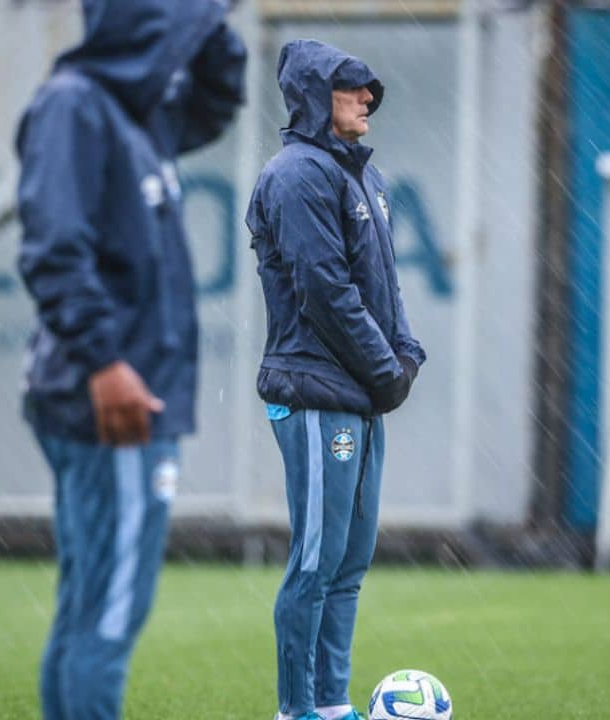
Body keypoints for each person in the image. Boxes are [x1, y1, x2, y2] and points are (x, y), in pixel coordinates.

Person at [14, 2, 245, 718]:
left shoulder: (139, 114)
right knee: (110, 616)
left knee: (92, 608)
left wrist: (208, 23)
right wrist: (105, 363)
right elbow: (54, 250)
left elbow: (217, 99)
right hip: (117, 399)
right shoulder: (74, 104)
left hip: (127, 391)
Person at [245, 39, 425, 720]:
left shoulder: (361, 177)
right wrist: (387, 372)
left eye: (369, 88)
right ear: (319, 97)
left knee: (348, 567)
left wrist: (405, 356)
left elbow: (384, 289)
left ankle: (331, 705)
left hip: (358, 395)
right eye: (353, 87)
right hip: (316, 394)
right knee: (315, 563)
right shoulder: (296, 176)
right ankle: (297, 712)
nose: (368, 98)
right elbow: (324, 291)